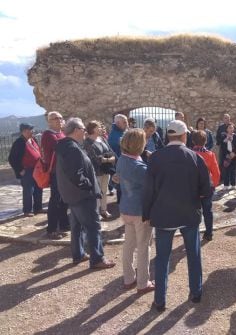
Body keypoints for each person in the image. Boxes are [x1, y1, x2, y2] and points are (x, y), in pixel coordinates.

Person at [143, 120, 211, 312]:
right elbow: (206, 190)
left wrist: (146, 213)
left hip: (163, 215)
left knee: (162, 259)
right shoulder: (195, 158)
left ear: (168, 136)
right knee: (193, 255)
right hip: (189, 214)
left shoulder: (155, 158)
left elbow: (148, 190)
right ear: (184, 136)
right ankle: (196, 293)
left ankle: (160, 301)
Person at [56, 117, 116, 269]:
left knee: (76, 227)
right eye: (82, 128)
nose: (84, 131)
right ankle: (97, 259)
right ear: (76, 130)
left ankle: (79, 254)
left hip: (73, 195)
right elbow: (76, 174)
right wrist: (89, 187)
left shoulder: (67, 146)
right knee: (93, 227)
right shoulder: (72, 148)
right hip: (82, 196)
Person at [116, 129, 155, 293]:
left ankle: (128, 278)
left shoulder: (122, 160)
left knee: (129, 245)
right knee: (144, 247)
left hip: (126, 208)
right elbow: (152, 184)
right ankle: (142, 283)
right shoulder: (139, 167)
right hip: (140, 211)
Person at [41, 111, 70, 239]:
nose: (59, 120)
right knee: (55, 200)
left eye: (60, 118)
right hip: (56, 172)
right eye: (55, 118)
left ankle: (64, 224)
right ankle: (51, 229)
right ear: (49, 121)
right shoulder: (48, 135)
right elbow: (60, 148)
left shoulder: (61, 133)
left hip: (64, 171)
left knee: (64, 199)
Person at [8, 123, 43, 217]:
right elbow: (12, 158)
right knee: (28, 191)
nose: (33, 132)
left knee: (38, 189)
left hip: (37, 169)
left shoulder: (33, 139)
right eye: (31, 130)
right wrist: (20, 170)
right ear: (24, 131)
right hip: (27, 170)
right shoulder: (19, 142)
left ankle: (38, 208)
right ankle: (27, 210)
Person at [83, 121, 116, 219]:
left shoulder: (102, 139)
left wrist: (109, 158)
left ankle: (104, 210)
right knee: (97, 192)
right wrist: (108, 159)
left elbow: (111, 151)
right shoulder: (87, 142)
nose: (101, 129)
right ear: (93, 129)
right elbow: (94, 158)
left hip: (106, 170)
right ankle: (96, 213)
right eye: (98, 127)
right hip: (96, 171)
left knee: (104, 191)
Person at [192, 130, 220, 241]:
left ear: (193, 141)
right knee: (208, 211)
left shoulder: (190, 153)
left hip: (192, 188)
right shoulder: (210, 154)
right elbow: (216, 173)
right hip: (206, 188)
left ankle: (193, 234)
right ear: (206, 141)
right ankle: (209, 233)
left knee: (193, 212)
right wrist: (213, 185)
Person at [108, 114, 128, 203]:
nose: (127, 124)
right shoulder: (114, 135)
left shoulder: (121, 132)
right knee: (121, 186)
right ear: (118, 123)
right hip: (120, 163)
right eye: (124, 122)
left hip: (123, 162)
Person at [220, 123, 236, 190]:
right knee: (226, 171)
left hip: (233, 156)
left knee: (233, 171)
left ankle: (233, 184)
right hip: (226, 156)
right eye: (229, 128)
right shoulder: (223, 136)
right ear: (227, 129)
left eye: (232, 128)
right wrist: (227, 154)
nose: (231, 129)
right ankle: (226, 185)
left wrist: (233, 153)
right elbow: (222, 147)